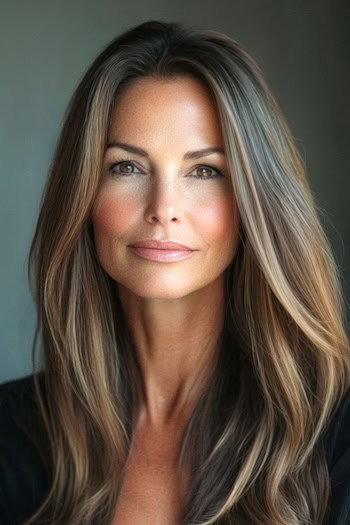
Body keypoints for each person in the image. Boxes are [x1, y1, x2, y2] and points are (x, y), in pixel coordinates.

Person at [1, 19, 350, 525]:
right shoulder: (12, 435)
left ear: (256, 200)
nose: (164, 208)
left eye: (205, 170)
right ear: (82, 194)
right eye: (126, 167)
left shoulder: (333, 434)